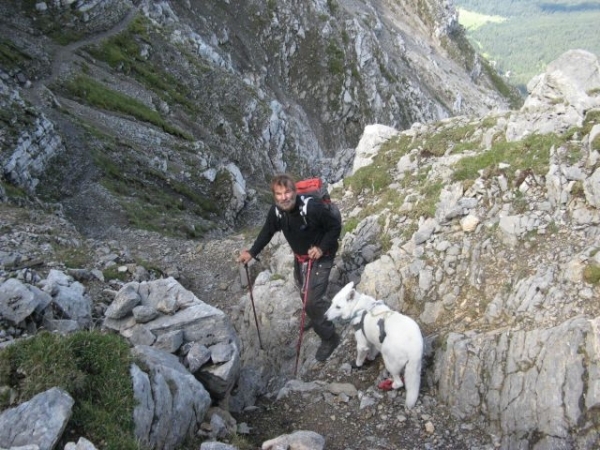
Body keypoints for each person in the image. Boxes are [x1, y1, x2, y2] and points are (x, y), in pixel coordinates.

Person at [238, 174, 342, 361]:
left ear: (294, 192)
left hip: (321, 255)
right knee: (304, 292)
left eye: (287, 192)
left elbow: (334, 226)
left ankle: (330, 337)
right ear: (274, 196)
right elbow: (267, 232)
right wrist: (252, 252)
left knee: (311, 300)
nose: (284, 197)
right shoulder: (277, 212)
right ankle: (315, 314)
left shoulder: (312, 207)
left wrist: (321, 248)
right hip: (301, 257)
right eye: (279, 194)